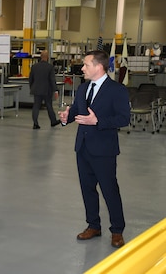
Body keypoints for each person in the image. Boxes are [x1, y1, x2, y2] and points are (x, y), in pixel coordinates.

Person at [58, 50, 130, 248]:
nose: (82, 68)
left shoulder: (117, 90)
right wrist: (66, 118)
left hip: (104, 150)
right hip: (83, 147)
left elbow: (124, 118)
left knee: (109, 191)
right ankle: (93, 225)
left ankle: (117, 230)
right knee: (87, 189)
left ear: (99, 67)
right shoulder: (82, 88)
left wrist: (98, 121)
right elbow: (76, 111)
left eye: (86, 65)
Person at [28, 50, 61, 129]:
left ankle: (35, 123)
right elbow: (52, 80)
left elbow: (30, 79)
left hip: (36, 89)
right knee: (49, 106)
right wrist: (55, 90)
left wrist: (32, 87)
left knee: (36, 106)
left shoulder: (34, 66)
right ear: (47, 57)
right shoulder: (50, 67)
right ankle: (53, 121)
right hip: (47, 90)